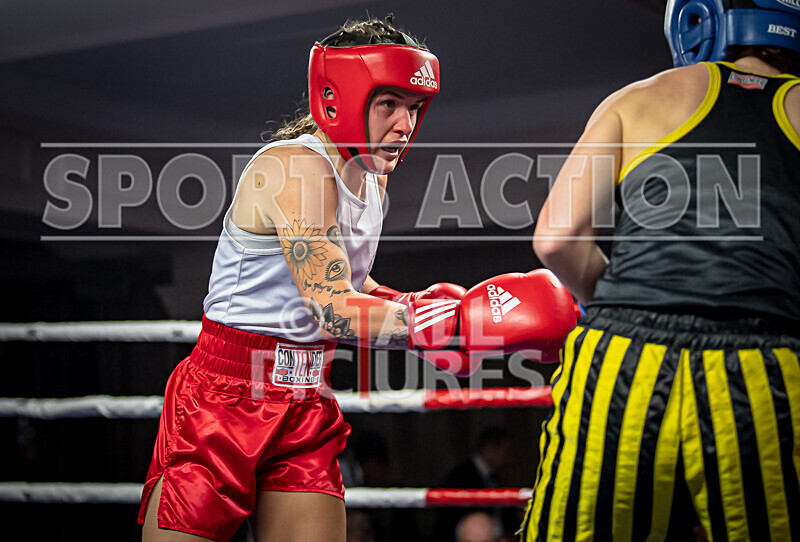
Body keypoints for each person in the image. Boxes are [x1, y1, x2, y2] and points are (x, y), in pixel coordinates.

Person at [138, 16, 576, 542]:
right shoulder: (296, 170)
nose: (405, 125)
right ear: (337, 98)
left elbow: (350, 284)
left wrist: (421, 306)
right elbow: (331, 307)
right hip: (224, 397)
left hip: (304, 395)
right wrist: (450, 323)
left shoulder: (370, 182)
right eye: (389, 104)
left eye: (414, 108)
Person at [521, 0, 800, 540]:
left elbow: (555, 239)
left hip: (622, 358)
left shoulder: (641, 97)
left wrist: (625, 302)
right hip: (763, 365)